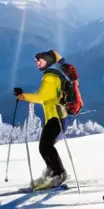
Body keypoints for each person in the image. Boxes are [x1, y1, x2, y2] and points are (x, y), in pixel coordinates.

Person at [14, 49, 69, 190]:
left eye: (40, 60)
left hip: (55, 118)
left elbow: (42, 97)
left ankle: (59, 173)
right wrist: (23, 96)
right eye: (36, 61)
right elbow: (43, 96)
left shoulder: (51, 77)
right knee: (45, 147)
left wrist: (24, 96)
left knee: (45, 147)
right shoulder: (51, 75)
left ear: (48, 60)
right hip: (53, 117)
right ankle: (53, 171)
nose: (37, 63)